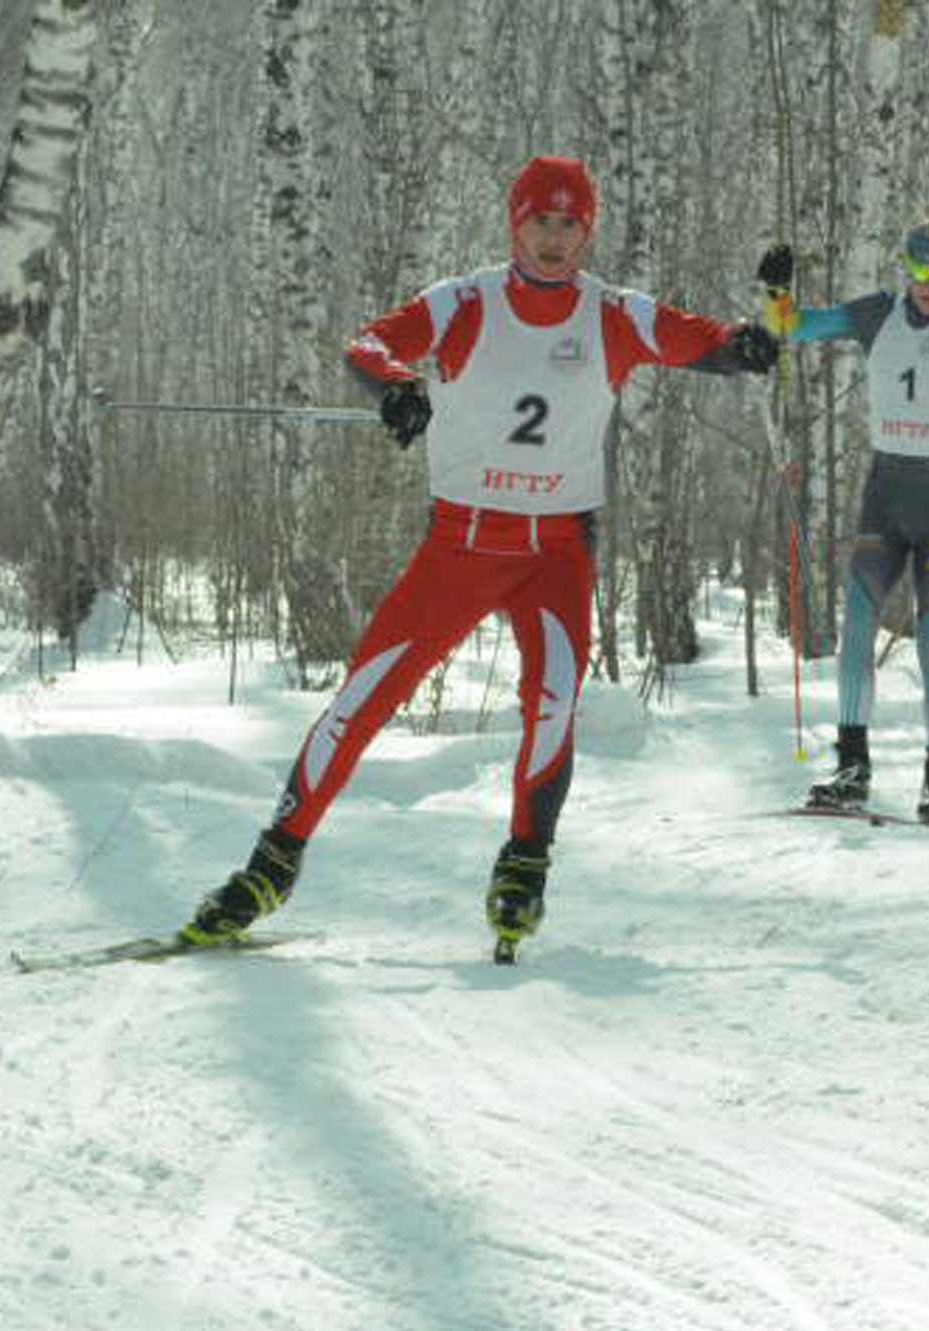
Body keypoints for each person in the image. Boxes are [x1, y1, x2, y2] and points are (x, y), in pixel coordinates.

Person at [180, 154, 778, 959]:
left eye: (571, 224)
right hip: (462, 542)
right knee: (364, 698)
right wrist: (394, 384)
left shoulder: (612, 313)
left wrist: (749, 343)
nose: (556, 239)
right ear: (516, 223)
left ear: (588, 229)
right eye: (542, 221)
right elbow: (366, 343)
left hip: (557, 551)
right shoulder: (465, 301)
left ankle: (524, 866)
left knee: (553, 702)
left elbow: (703, 341)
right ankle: (271, 865)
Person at [757, 220, 929, 826]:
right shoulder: (879, 313)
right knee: (858, 621)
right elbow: (795, 327)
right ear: (906, 267)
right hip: (887, 489)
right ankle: (852, 769)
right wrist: (775, 293)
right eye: (920, 270)